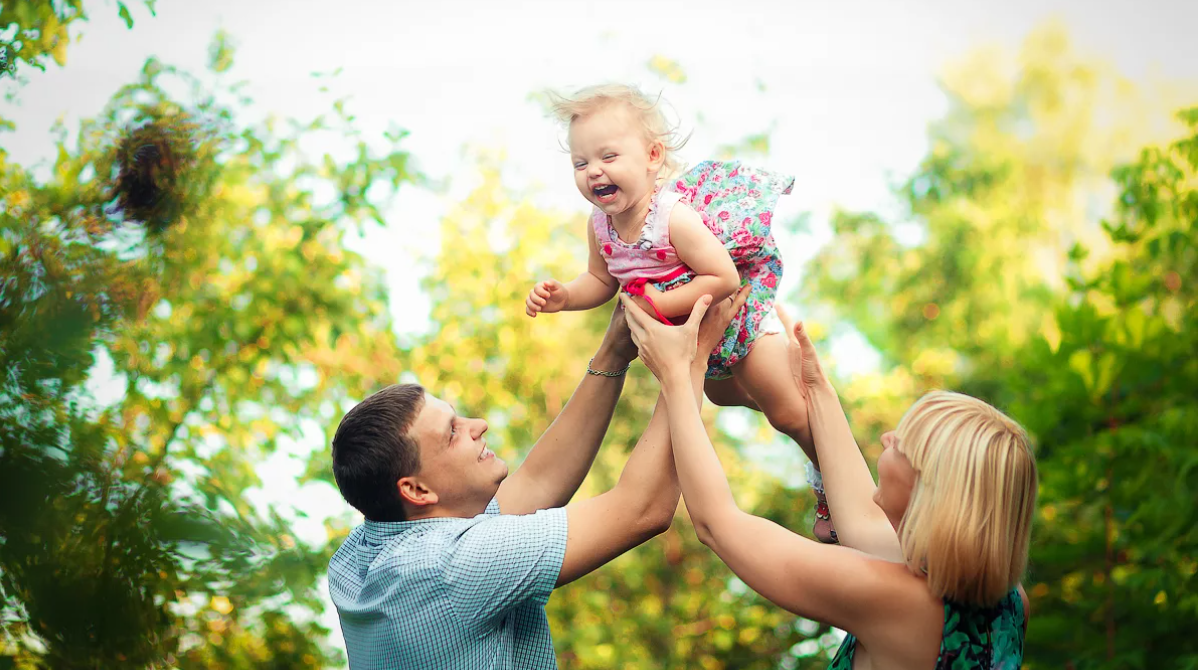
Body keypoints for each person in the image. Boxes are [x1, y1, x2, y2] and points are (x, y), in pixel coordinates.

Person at [327, 290, 748, 670]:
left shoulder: (359, 557)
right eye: (452, 433)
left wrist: (612, 352)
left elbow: (539, 483)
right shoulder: (451, 567)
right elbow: (641, 509)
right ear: (416, 490)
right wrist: (688, 363)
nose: (479, 425)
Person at [622, 294, 1037, 669]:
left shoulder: (890, 597)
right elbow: (860, 521)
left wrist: (679, 373)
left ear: (929, 491)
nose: (886, 437)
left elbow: (719, 524)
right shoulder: (1009, 601)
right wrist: (817, 387)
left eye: (902, 444)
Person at [524, 83, 836, 542]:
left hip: (735, 326)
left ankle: (834, 485)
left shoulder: (671, 217)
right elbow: (600, 280)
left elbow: (724, 278)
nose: (594, 172)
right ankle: (800, 415)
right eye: (581, 163)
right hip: (695, 347)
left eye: (609, 158)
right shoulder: (600, 226)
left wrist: (660, 302)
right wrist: (564, 297)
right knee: (729, 398)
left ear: (652, 157)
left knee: (787, 412)